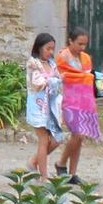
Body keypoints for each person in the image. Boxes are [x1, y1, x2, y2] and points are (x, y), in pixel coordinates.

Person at [55, 27, 100, 184]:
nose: (82, 48)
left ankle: (72, 173)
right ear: (70, 41)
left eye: (85, 44)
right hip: (69, 100)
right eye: (79, 44)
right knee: (78, 134)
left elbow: (88, 77)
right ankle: (61, 163)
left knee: (79, 138)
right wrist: (83, 77)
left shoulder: (86, 58)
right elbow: (65, 77)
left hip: (84, 100)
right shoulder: (62, 58)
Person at [24, 32, 63, 179]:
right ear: (39, 47)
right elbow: (38, 83)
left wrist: (57, 80)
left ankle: (34, 161)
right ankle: (44, 176)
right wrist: (55, 80)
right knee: (44, 139)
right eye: (48, 48)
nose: (51, 52)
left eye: (52, 49)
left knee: (57, 139)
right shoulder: (33, 63)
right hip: (38, 106)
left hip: (52, 106)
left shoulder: (52, 63)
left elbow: (58, 81)